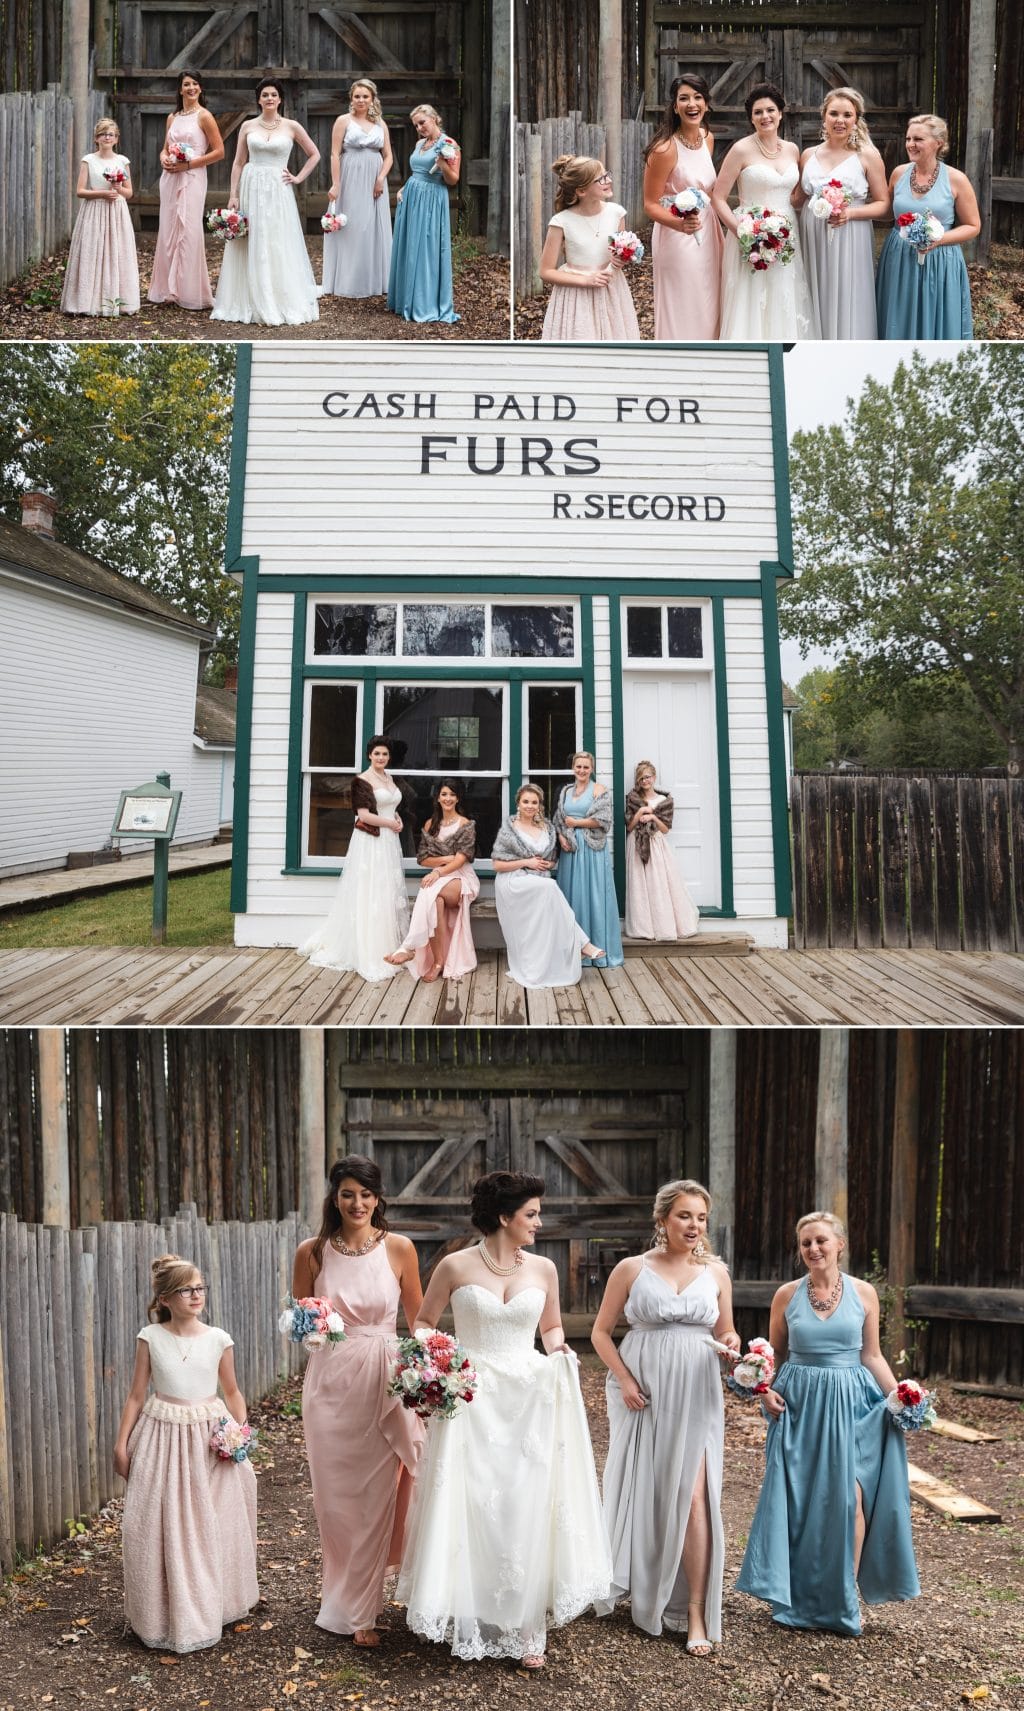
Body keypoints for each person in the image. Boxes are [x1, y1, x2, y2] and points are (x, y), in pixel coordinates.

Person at [396, 1172, 611, 1668]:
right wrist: (439, 1362)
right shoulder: (454, 1265)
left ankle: (527, 1620)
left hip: (529, 1397)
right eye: (531, 1214)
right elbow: (424, 1324)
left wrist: (560, 1352)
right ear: (503, 1217)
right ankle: (470, 1607)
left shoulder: (544, 1268)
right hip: (471, 1397)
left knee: (525, 1501)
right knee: (472, 1499)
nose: (539, 1222)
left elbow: (552, 1327)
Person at [736, 1211, 920, 1634]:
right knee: (801, 1504)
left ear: (840, 1244)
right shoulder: (786, 1295)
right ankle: (800, 1599)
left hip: (855, 1405)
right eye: (805, 1244)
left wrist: (903, 1397)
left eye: (821, 1241)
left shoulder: (864, 1293)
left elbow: (871, 1355)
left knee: (851, 1499)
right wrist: (764, 1394)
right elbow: (774, 1356)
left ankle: (842, 1598)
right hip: (799, 1407)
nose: (813, 1249)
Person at [592, 1181, 739, 1652]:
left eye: (700, 1218)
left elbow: (726, 1329)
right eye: (684, 1216)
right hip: (645, 1391)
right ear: (662, 1220)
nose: (693, 1225)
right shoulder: (632, 1269)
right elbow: (599, 1333)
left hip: (697, 1390)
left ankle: (694, 1610)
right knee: (649, 1490)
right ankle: (646, 1586)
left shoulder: (716, 1273)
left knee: (695, 1496)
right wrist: (627, 1380)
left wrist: (735, 1346)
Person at [292, 1156, 424, 1646]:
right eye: (348, 1194)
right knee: (336, 1502)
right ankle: (341, 1597)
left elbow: (421, 1321)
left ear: (378, 1198)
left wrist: (429, 1374)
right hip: (330, 1383)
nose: (357, 1203)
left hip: (386, 1379)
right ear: (334, 1197)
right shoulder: (312, 1252)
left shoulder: (400, 1249)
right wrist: (310, 1329)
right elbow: (300, 1319)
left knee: (378, 1495)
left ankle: (364, 1611)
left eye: (366, 1194)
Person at [113, 1253, 258, 1651]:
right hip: (162, 1435)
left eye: (199, 1287)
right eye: (185, 1290)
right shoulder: (150, 1337)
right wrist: (121, 1442)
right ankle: (161, 1611)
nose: (196, 1295)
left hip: (208, 1437)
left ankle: (214, 1602)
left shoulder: (217, 1338)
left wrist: (238, 1433)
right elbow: (135, 1395)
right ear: (164, 1299)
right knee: (160, 1522)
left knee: (211, 1522)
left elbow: (232, 1392)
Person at [711, 82, 818, 340]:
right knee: (752, 293)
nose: (765, 116)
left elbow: (796, 196)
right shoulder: (740, 150)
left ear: (780, 114)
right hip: (748, 233)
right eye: (758, 112)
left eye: (770, 110)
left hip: (787, 233)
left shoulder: (792, 150)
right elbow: (718, 197)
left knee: (783, 291)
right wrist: (742, 232)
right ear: (751, 118)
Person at [210, 77, 321, 325]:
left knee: (275, 237)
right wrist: (233, 195)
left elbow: (314, 154)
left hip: (278, 187)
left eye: (273, 94)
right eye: (264, 95)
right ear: (259, 99)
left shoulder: (292, 126)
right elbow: (238, 162)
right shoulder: (248, 126)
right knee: (250, 238)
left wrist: (298, 177)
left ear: (280, 99)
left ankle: (276, 295)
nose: (269, 98)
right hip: (252, 185)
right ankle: (247, 297)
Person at [302, 735, 410, 982]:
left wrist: (398, 820)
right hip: (371, 841)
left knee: (385, 890)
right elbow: (364, 815)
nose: (381, 758)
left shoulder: (389, 778)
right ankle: (368, 948)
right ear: (369, 755)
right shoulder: (361, 781)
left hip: (389, 840)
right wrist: (390, 823)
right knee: (369, 889)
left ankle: (388, 941)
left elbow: (392, 806)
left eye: (384, 754)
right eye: (376, 754)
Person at [791, 87, 888, 340]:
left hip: (850, 234)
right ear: (824, 116)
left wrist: (850, 214)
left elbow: (883, 205)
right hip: (812, 233)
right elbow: (797, 199)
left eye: (847, 115)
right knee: (815, 290)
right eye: (834, 113)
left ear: (856, 119)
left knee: (847, 292)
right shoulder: (808, 155)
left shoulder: (867, 155)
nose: (840, 120)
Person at [492, 782, 606, 988]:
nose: (529, 806)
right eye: (525, 801)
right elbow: (497, 864)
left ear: (539, 805)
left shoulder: (547, 827)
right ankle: (583, 944)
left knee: (548, 891)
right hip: (513, 880)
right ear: (518, 803)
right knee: (551, 887)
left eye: (534, 802)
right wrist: (527, 862)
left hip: (539, 881)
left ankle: (568, 952)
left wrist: (549, 863)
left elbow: (552, 859)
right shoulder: (510, 828)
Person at [875, 113, 979, 340]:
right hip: (899, 257)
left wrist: (937, 240)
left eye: (918, 139)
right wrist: (852, 212)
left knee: (936, 320)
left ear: (938, 143)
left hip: (939, 259)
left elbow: (973, 226)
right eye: (908, 138)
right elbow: (886, 212)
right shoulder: (899, 173)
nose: (911, 144)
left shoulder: (956, 179)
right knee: (899, 316)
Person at [643, 74, 724, 340]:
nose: (692, 104)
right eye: (684, 98)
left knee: (709, 298)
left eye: (698, 97)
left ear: (707, 104)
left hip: (709, 230)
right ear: (675, 106)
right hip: (677, 233)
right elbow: (650, 204)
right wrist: (680, 224)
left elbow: (708, 189)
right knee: (685, 301)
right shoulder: (664, 149)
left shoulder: (706, 137)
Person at [384, 779, 479, 982]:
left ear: (458, 798)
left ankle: (409, 947)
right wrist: (444, 860)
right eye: (444, 794)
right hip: (439, 879)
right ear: (437, 797)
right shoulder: (430, 824)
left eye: (452, 794)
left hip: (461, 878)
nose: (448, 798)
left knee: (430, 890)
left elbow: (461, 859)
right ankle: (438, 962)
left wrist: (438, 872)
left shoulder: (466, 825)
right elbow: (423, 859)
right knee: (435, 901)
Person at [539, 155, 640, 340]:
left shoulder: (616, 213)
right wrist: (586, 281)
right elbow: (545, 272)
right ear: (582, 191)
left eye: (606, 174)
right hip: (576, 297)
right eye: (600, 179)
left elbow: (619, 254)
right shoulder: (561, 222)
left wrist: (621, 259)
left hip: (610, 290)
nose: (608, 180)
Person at [148, 70, 224, 311]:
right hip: (170, 178)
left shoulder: (205, 116)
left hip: (192, 177)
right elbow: (164, 147)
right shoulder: (172, 117)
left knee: (189, 230)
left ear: (200, 89)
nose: (191, 88)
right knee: (169, 231)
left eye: (195, 84)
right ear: (180, 90)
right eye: (186, 84)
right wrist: (163, 158)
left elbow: (219, 152)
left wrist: (188, 164)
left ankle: (190, 291)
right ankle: (168, 290)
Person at [387, 104, 461, 323]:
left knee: (426, 248)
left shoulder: (449, 145)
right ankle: (404, 299)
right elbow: (416, 172)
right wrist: (403, 188)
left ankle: (423, 302)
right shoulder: (420, 143)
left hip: (431, 200)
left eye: (422, 122)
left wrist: (443, 164)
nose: (419, 128)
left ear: (435, 119)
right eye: (416, 125)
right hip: (411, 198)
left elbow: (453, 180)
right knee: (409, 247)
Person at [60, 117, 140, 317]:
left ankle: (118, 301)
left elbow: (130, 193)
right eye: (103, 134)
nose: (107, 137)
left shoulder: (122, 161)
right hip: (95, 210)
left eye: (111, 134)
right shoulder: (89, 160)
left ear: (116, 139)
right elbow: (80, 191)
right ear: (97, 138)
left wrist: (118, 188)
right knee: (92, 251)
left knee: (117, 252)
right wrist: (102, 193)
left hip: (117, 213)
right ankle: (88, 301)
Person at [322, 78, 393, 298]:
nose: (361, 100)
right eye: (357, 96)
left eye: (365, 96)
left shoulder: (380, 123)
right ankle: (348, 281)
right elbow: (335, 153)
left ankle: (373, 279)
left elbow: (388, 156)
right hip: (350, 174)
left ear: (372, 99)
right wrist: (336, 183)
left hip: (374, 177)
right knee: (352, 225)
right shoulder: (343, 121)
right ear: (351, 99)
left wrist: (381, 177)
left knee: (371, 226)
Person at [552, 752, 624, 968]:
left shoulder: (599, 791)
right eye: (578, 766)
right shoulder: (565, 791)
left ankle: (599, 950)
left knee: (594, 896)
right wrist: (560, 836)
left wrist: (577, 823)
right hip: (570, 852)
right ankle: (574, 950)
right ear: (573, 768)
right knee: (572, 897)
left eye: (586, 767)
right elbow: (558, 819)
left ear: (591, 769)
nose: (581, 771)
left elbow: (604, 821)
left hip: (592, 851)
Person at [624, 760, 699, 940]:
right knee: (639, 885)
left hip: (656, 844)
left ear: (654, 777)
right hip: (636, 843)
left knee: (658, 883)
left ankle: (662, 925)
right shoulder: (633, 798)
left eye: (647, 777)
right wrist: (641, 811)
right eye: (641, 778)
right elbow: (629, 826)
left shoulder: (664, 801)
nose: (644, 781)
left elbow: (665, 829)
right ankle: (643, 928)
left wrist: (652, 817)